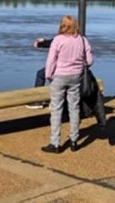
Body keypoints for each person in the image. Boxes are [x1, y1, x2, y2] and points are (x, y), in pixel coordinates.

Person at [29, 38, 107, 134]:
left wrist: (41, 44)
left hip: (62, 72)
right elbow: (90, 61)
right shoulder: (82, 40)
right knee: (73, 106)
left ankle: (38, 101)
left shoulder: (60, 39)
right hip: (76, 74)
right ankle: (73, 137)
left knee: (57, 105)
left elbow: (52, 53)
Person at [41, 15, 92, 154]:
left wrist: (48, 75)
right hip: (76, 77)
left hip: (59, 76)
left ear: (62, 25)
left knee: (56, 109)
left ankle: (55, 143)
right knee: (74, 108)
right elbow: (90, 60)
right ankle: (74, 139)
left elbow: (51, 60)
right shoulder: (82, 40)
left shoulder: (58, 40)